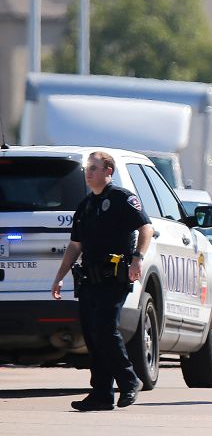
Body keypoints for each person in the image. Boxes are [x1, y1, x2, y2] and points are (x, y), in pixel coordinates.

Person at [51, 151, 153, 411]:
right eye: (87, 168)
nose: (88, 173)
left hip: (114, 277)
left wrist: (138, 258)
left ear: (109, 172)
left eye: (94, 168)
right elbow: (76, 246)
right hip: (89, 281)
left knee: (106, 330)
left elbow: (146, 227)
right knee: (93, 336)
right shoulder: (85, 206)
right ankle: (101, 394)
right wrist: (60, 276)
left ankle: (130, 381)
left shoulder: (121, 198)